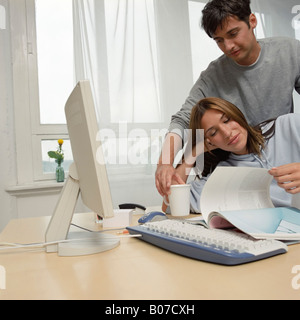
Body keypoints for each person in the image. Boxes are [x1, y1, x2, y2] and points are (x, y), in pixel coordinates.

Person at [156, 0, 300, 197]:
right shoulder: (212, 76)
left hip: (283, 156)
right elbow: (181, 120)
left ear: (252, 20)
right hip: (244, 166)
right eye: (219, 40)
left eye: (233, 34)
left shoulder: (290, 52)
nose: (228, 46)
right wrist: (165, 162)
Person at [176, 97, 300, 213]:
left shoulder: (289, 125)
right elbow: (176, 201)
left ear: (237, 114)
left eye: (227, 120)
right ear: (209, 142)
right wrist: (192, 154)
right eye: (213, 133)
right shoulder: (224, 174)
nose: (227, 132)